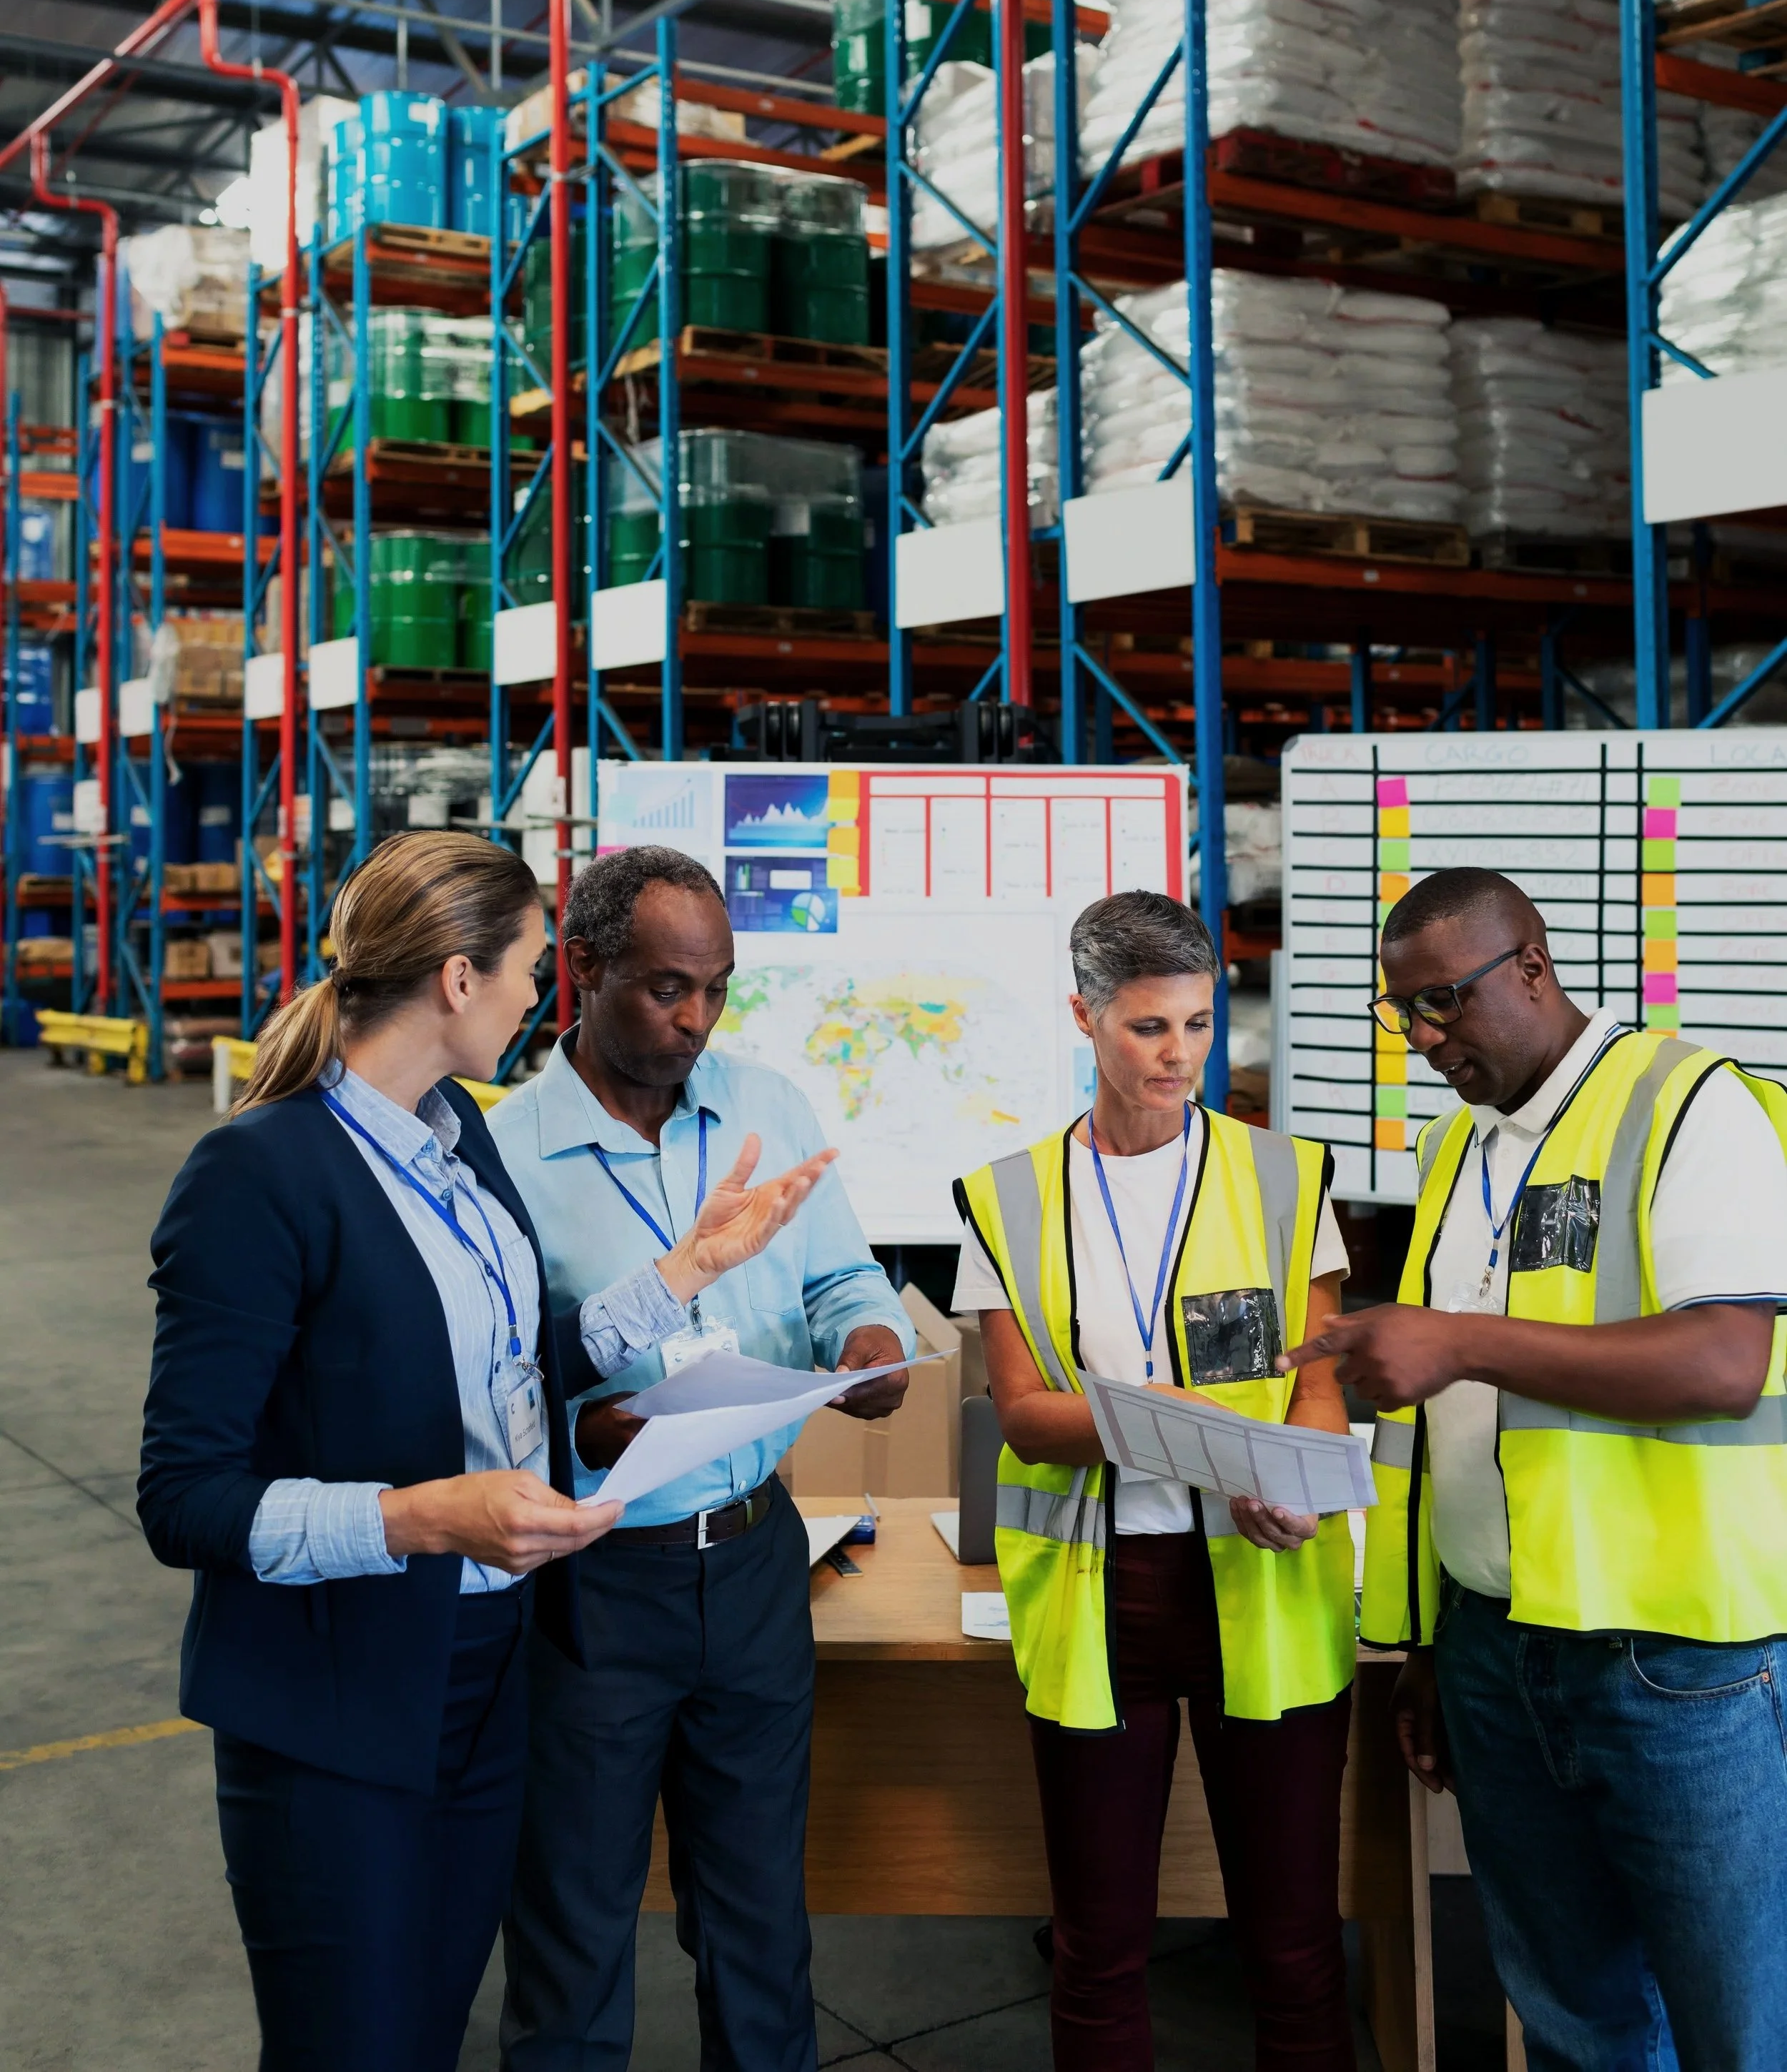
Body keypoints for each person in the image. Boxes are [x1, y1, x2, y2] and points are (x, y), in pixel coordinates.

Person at [138, 831, 832, 2072]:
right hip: (342, 1698)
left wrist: (692, 1270)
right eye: (522, 968)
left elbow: (519, 1365)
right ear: (458, 980)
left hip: (486, 1667)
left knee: (430, 2032)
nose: (533, 997)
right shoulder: (260, 1171)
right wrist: (423, 1517)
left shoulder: (456, 1139)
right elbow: (183, 1497)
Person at [1288, 864, 1787, 2072]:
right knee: (1571, 2019)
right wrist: (1426, 1648)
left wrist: (1454, 1339)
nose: (1424, 1038)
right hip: (1497, 1650)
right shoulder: (1460, 1145)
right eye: (1402, 1013)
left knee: (1735, 2026)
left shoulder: (1689, 1103)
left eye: (1446, 1002)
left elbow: (1727, 1358)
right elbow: (1451, 1430)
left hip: (1674, 1662)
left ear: (1532, 966)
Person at [487, 843, 916, 2072]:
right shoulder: (506, 1158)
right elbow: (488, 1388)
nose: (695, 1018)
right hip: (593, 1583)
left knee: (760, 1922)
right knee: (575, 1926)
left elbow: (840, 1276)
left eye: (718, 986)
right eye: (666, 987)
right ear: (583, 968)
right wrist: (584, 1429)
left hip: (754, 1563)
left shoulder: (770, 1105)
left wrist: (870, 1341)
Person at [953, 888, 1360, 2072]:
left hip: (1268, 1584)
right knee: (1099, 1946)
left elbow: (1319, 1383)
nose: (1179, 1054)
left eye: (1196, 1022)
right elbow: (1027, 1419)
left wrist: (1299, 1477)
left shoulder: (1287, 1177)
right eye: (1147, 1028)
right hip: (1100, 1601)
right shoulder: (1009, 1197)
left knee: (1291, 1946)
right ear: (1083, 1017)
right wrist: (1161, 1424)